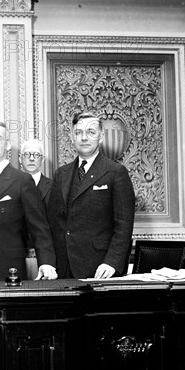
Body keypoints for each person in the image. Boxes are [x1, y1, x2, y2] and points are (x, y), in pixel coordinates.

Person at [47, 112, 135, 279]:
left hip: (100, 268)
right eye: (78, 133)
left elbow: (123, 226)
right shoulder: (61, 174)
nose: (84, 138)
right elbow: (54, 223)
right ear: (72, 137)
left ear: (101, 137)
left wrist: (112, 262)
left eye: (91, 132)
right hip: (64, 267)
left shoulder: (116, 172)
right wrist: (50, 261)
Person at [0, 121, 57, 281]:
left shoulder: (22, 180)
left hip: (8, 269)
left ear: (8, 145)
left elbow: (39, 227)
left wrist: (47, 262)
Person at [20, 138, 52, 206]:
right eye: (27, 154)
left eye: (36, 154)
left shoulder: (53, 187)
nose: (31, 159)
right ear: (20, 158)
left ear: (42, 159)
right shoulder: (11, 186)